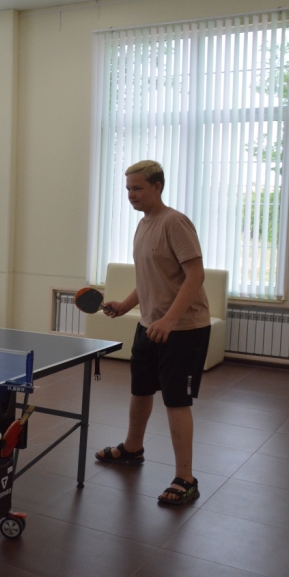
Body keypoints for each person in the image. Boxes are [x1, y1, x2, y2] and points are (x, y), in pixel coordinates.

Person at [94, 160, 212, 506]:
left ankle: (186, 478)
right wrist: (125, 304)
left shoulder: (174, 222)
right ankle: (133, 448)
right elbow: (149, 277)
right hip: (149, 326)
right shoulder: (143, 224)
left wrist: (170, 319)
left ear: (157, 187)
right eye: (128, 189)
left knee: (176, 400)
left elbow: (195, 275)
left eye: (137, 188)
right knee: (140, 389)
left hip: (184, 329)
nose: (131, 195)